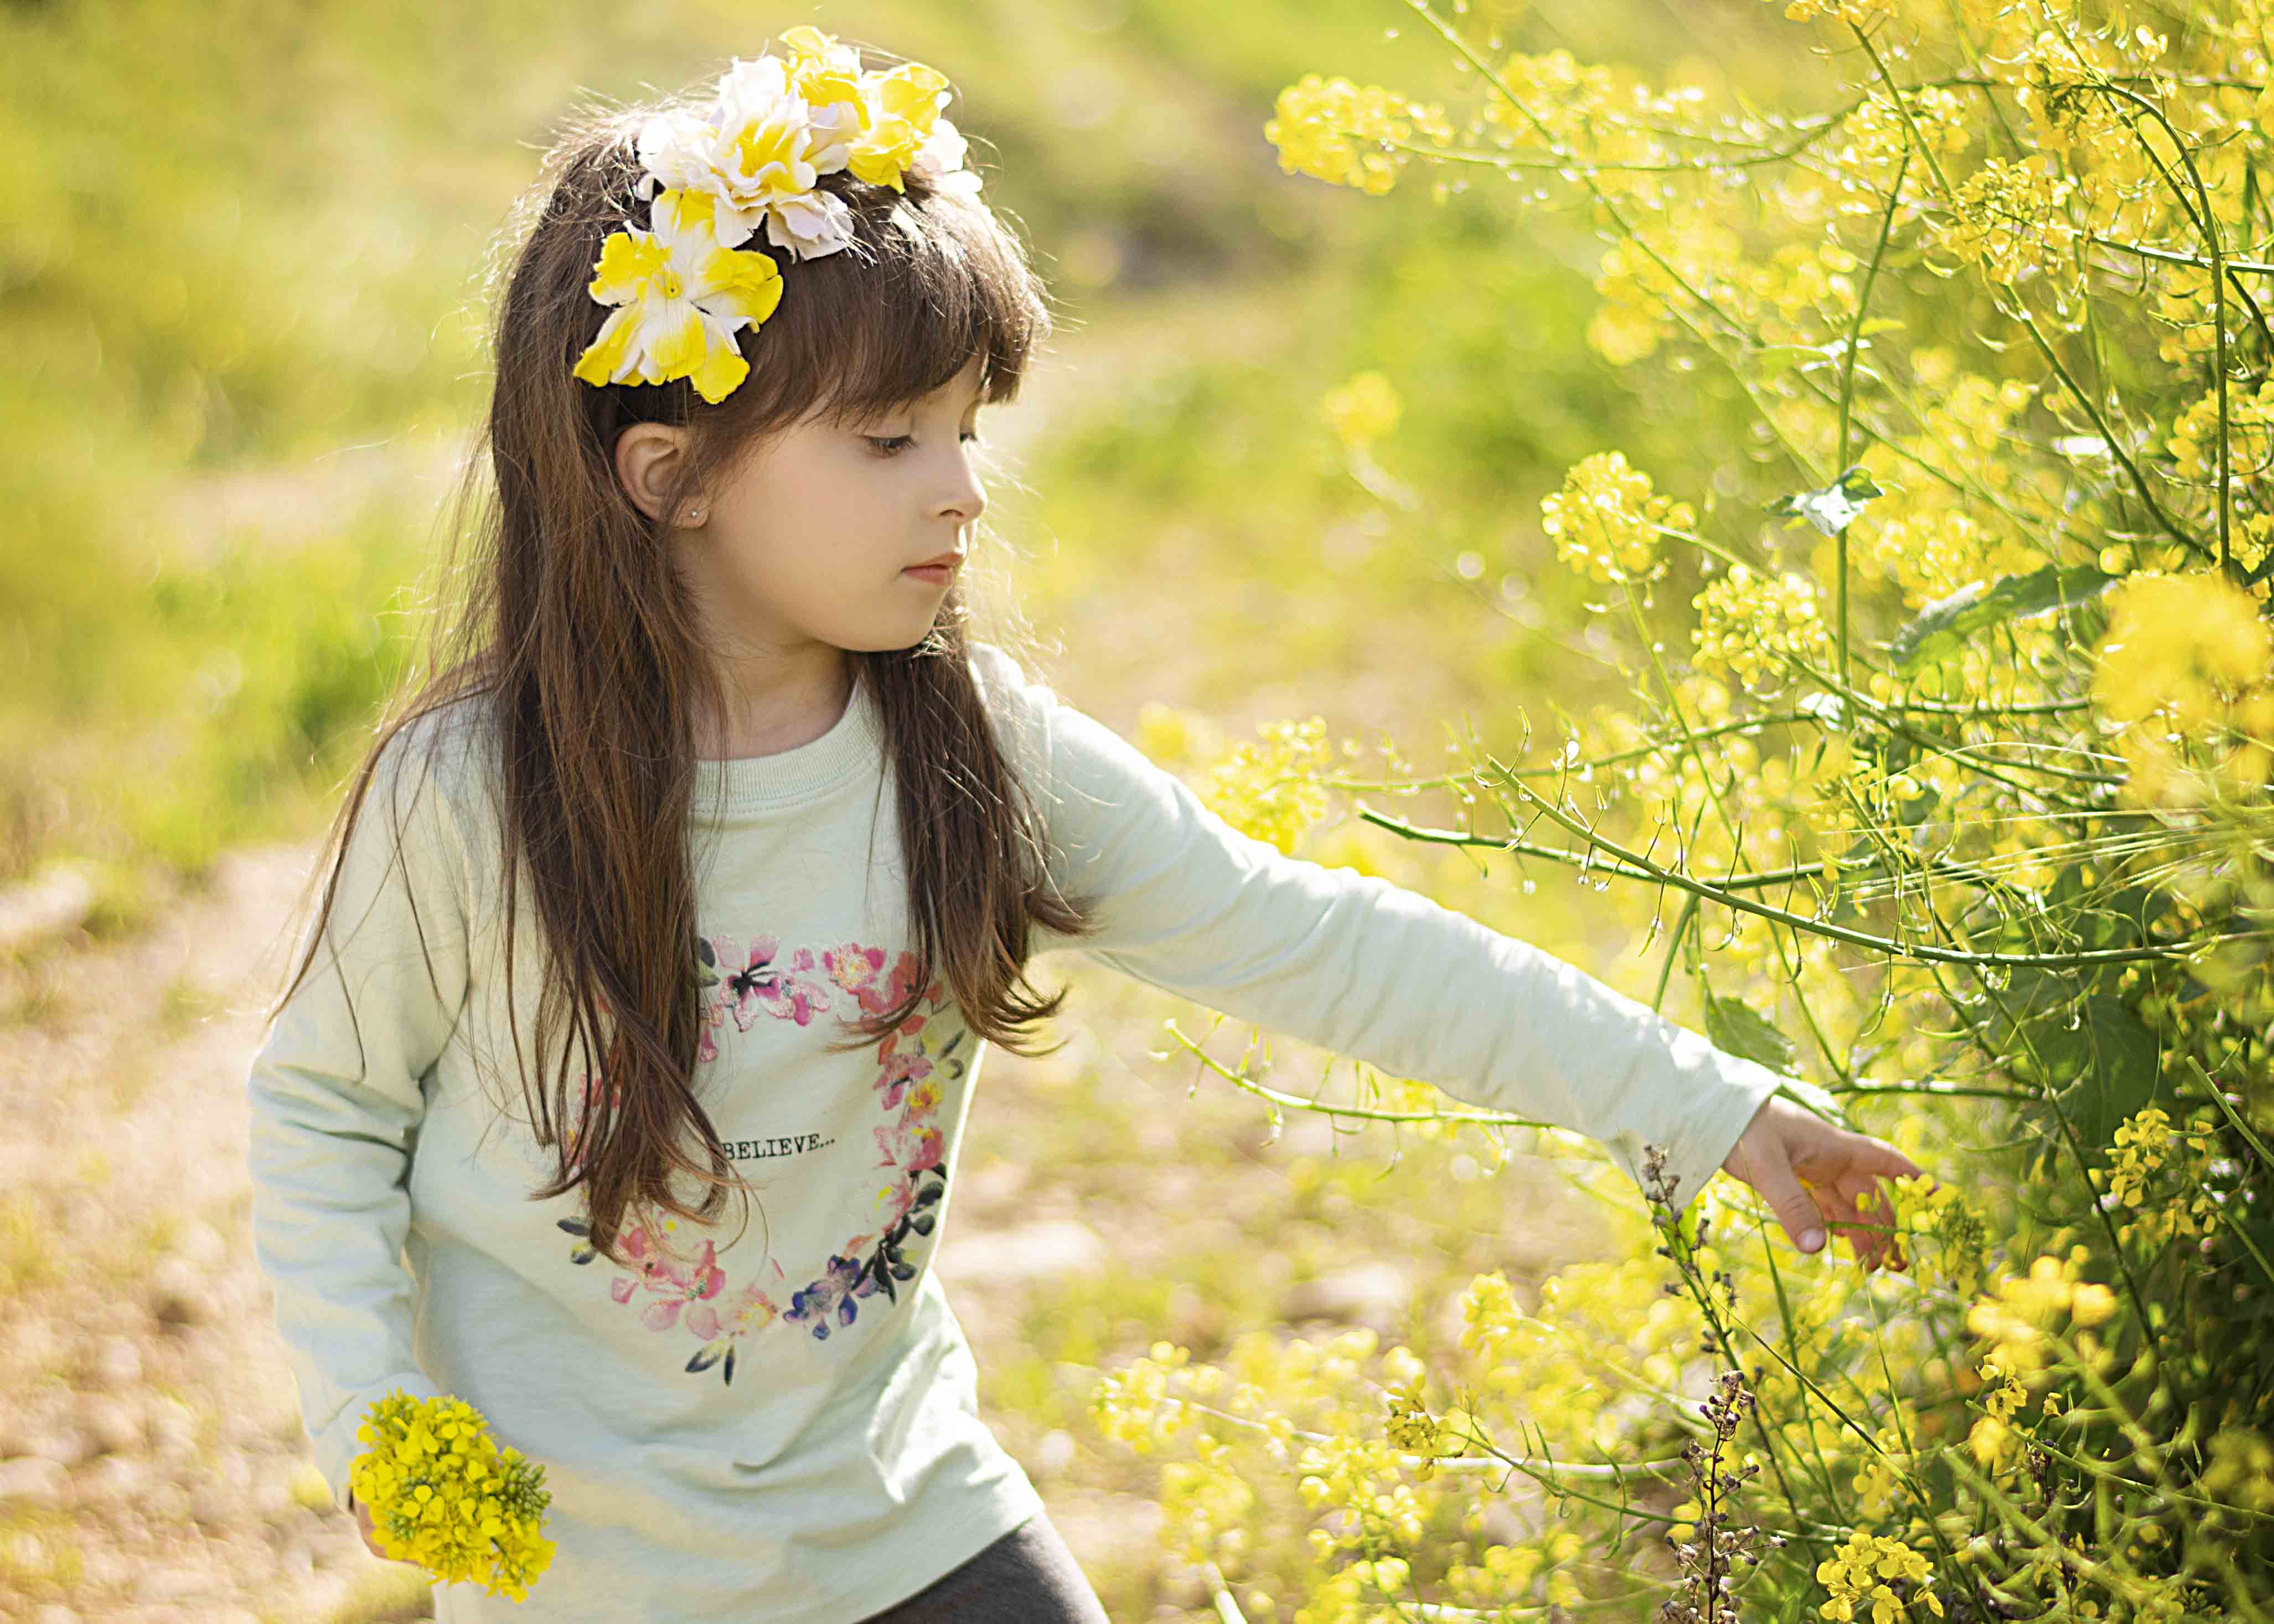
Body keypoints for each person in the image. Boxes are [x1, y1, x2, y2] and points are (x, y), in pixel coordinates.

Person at [244, 28, 1923, 1624]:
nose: (961, 488)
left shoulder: (972, 756)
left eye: (966, 432)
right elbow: (325, 1114)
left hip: (907, 1518)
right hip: (591, 1586)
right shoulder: (471, 795)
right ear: (667, 474)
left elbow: (1323, 943)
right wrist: (374, 1411)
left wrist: (1710, 1112)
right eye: (887, 439)